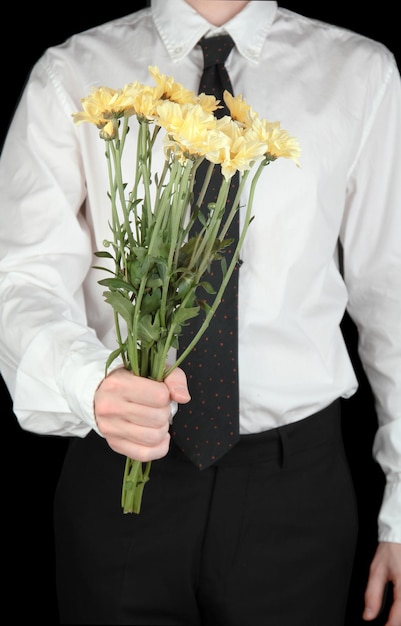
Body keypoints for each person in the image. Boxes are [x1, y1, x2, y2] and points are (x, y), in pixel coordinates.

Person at [0, 1, 400, 625]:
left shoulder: (359, 75)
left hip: (295, 493)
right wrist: (90, 382)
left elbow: (393, 296)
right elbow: (21, 282)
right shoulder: (72, 74)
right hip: (121, 479)